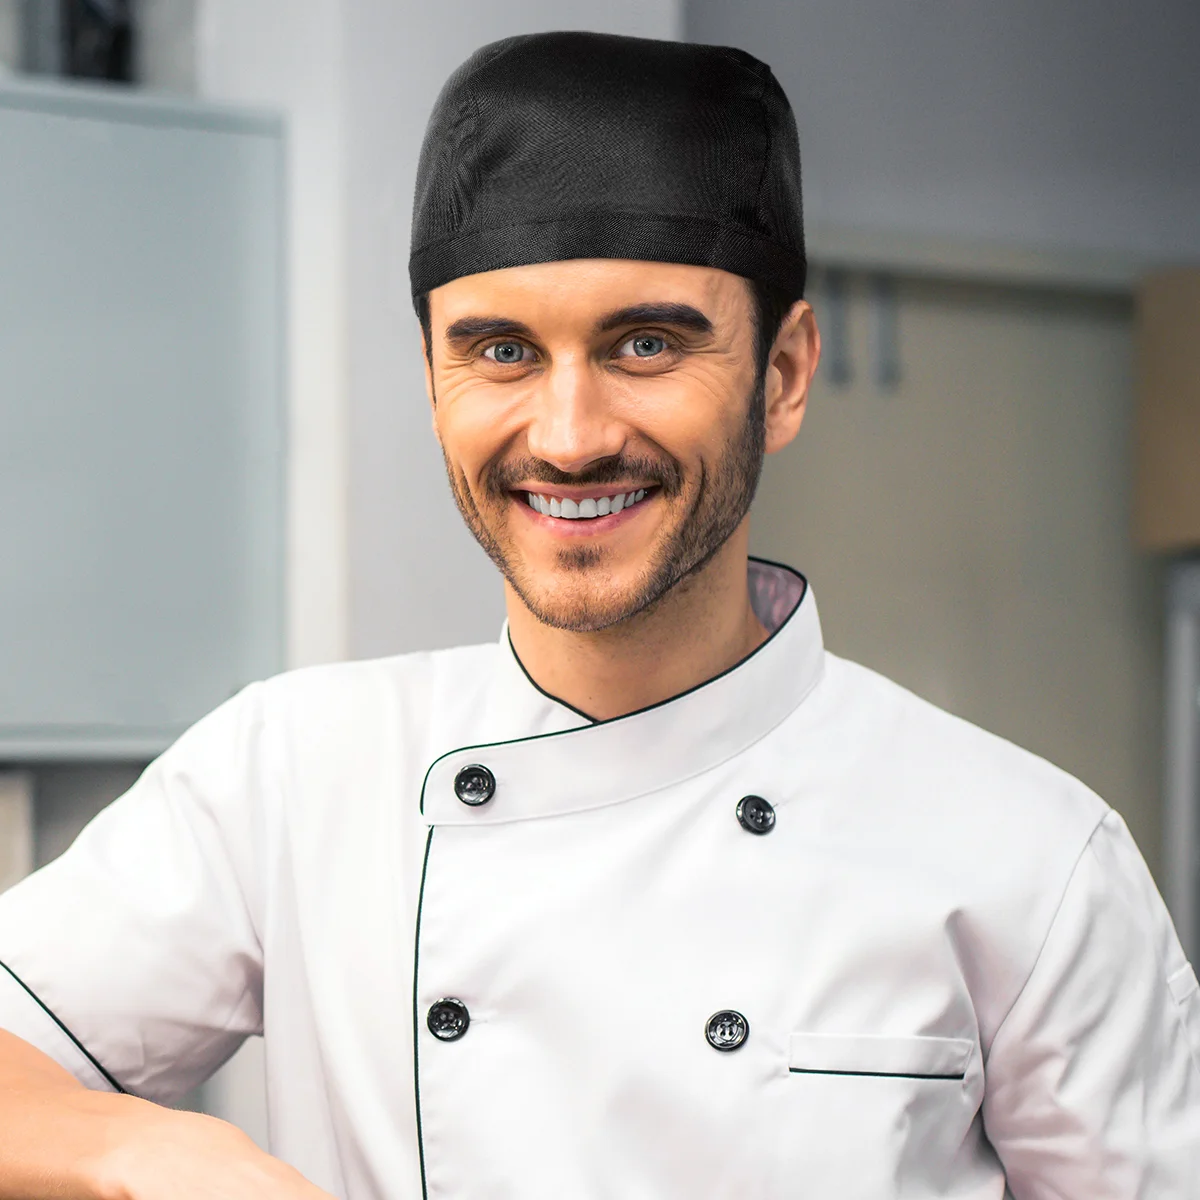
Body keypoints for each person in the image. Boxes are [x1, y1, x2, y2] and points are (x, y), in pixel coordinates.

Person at [1, 29, 1197, 1200]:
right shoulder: (293, 773)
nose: (569, 436)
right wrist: (149, 1152)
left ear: (782, 375)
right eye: (503, 351)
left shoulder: (1033, 858)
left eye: (645, 343)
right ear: (431, 382)